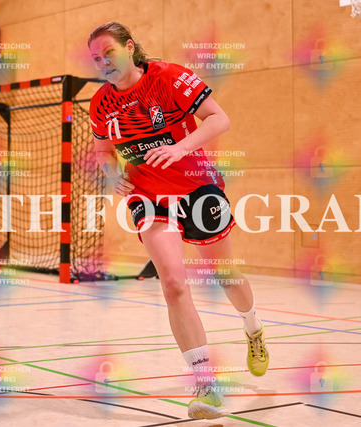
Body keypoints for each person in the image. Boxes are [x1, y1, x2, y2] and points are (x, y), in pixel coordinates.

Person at [88, 23, 268, 420]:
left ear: (129, 47)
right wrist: (111, 174)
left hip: (197, 187)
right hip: (148, 197)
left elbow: (219, 119)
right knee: (172, 283)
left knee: (225, 275)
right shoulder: (101, 103)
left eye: (108, 52)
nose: (102, 62)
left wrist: (180, 147)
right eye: (96, 58)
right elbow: (103, 151)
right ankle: (207, 385)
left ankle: (253, 327)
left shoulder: (168, 77)